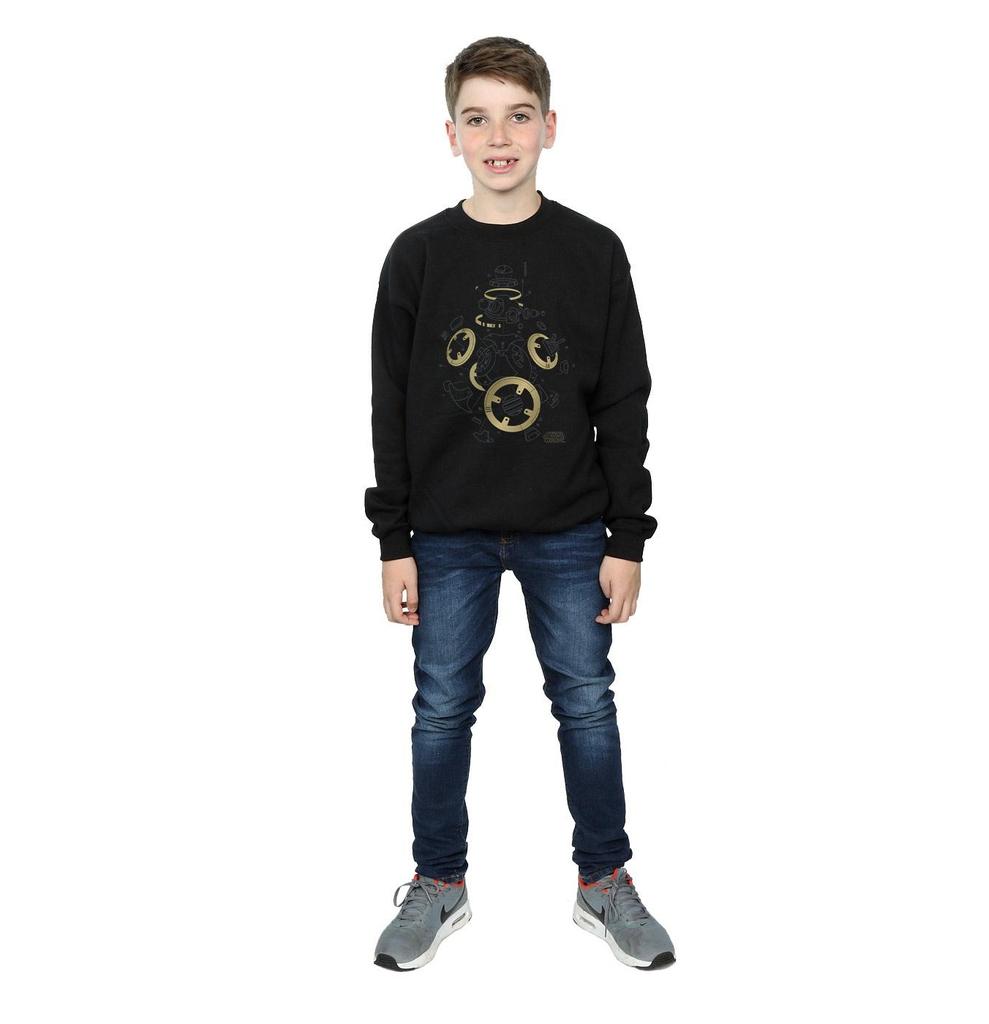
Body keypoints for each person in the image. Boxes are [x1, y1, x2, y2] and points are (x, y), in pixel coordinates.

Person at [364, 36, 675, 971]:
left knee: (586, 702)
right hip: (445, 532)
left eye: (517, 116)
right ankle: (439, 883)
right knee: (440, 708)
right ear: (450, 134)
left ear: (549, 126)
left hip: (570, 528)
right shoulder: (417, 256)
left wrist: (628, 537)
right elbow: (390, 403)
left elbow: (624, 400)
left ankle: (603, 881)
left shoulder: (594, 252)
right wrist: (393, 538)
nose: (498, 137)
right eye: (478, 118)